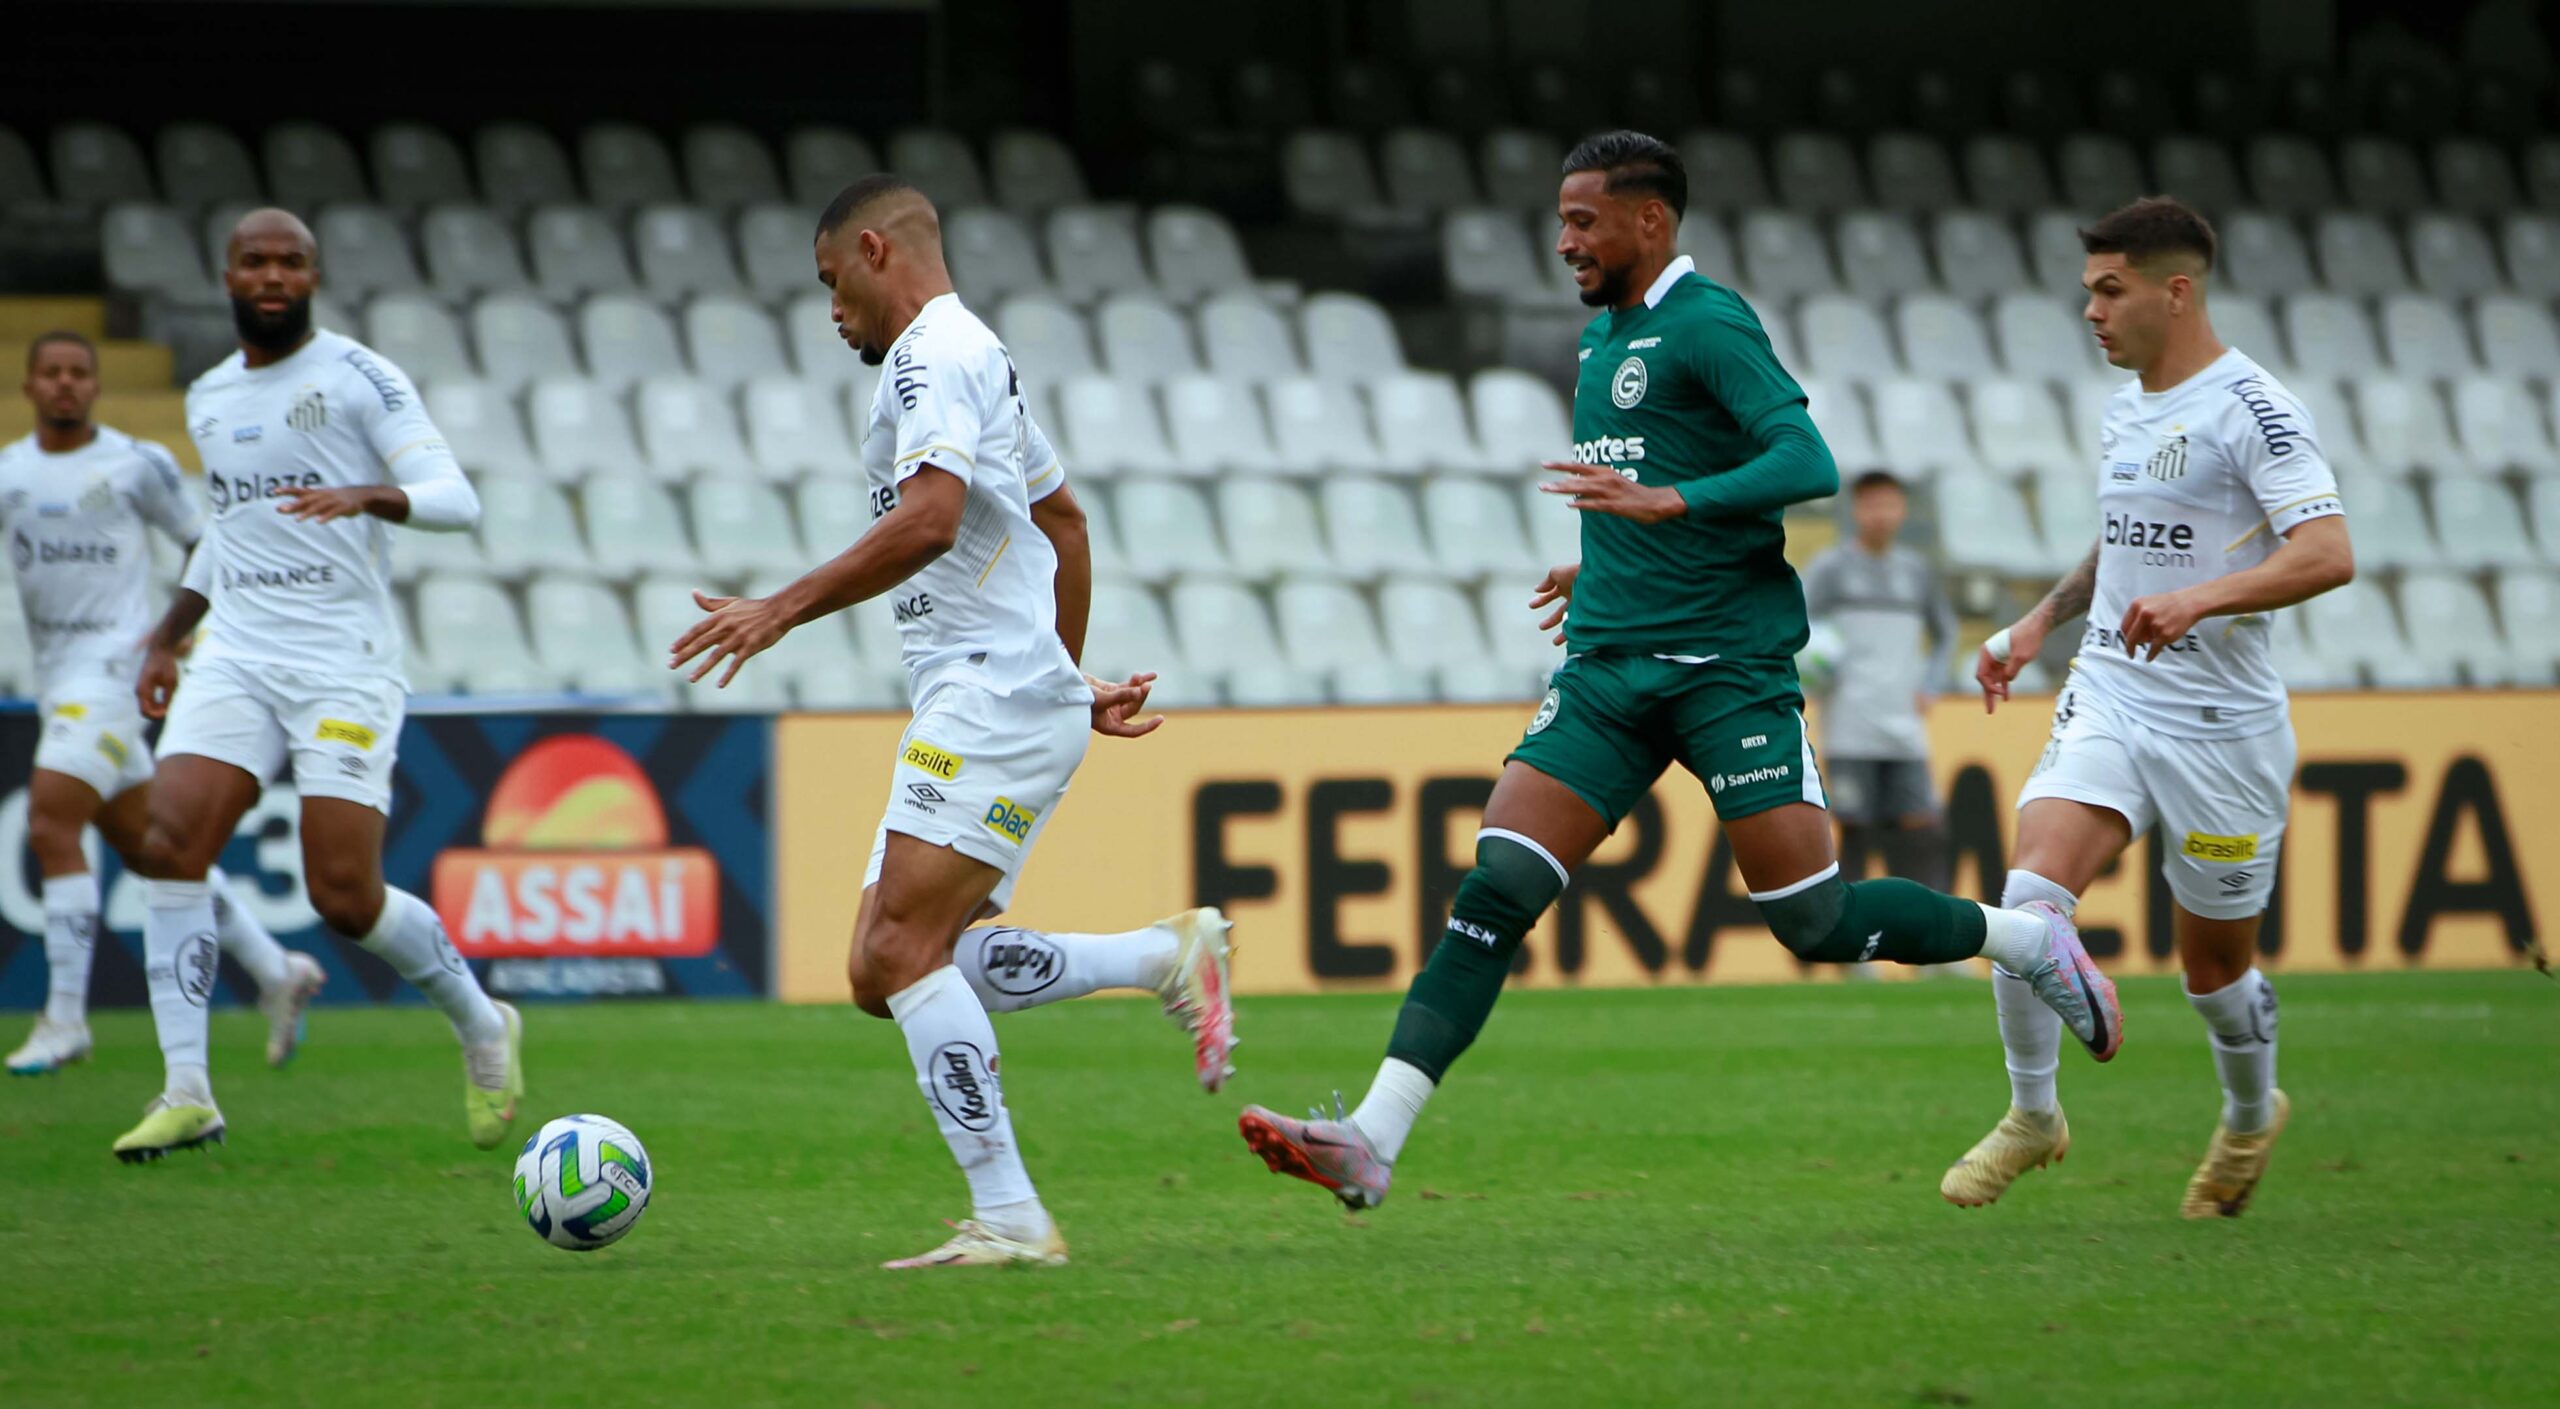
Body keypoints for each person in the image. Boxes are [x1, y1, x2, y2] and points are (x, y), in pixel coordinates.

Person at [1235, 132, 2123, 1213]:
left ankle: (2023, 938)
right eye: (1560, 220)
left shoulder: (1707, 322)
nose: (1564, 241)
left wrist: (1670, 508)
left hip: (1725, 672)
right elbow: (1652, 476)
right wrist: (1609, 552)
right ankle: (1371, 1136)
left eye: (1582, 220)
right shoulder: (1606, 336)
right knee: (1498, 884)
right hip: (1610, 665)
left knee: (1814, 920)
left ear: (1648, 222)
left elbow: (1806, 461)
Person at [668, 175, 1238, 1270]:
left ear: (876, 250)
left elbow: (931, 520)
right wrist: (1066, 679)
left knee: (896, 949)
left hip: (985, 692)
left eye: (834, 285)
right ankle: (1164, 954)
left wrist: (779, 607)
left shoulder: (934, 356)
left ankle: (1011, 1215)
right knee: (882, 968)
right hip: (998, 689)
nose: (833, 313)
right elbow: (1063, 520)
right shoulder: (979, 356)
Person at [1945, 197, 2352, 1218]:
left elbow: (2327, 551)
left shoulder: (2253, 408)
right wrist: (2041, 619)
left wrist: (2200, 597)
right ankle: (2032, 1113)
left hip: (2222, 730)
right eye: (2088, 289)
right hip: (2114, 694)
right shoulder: (2128, 405)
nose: (2089, 309)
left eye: (2108, 288)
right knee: (2028, 899)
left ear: (2176, 292)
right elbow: (2126, 541)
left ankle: (2250, 1112)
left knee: (2213, 974)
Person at [113, 209, 521, 1162]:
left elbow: (458, 500)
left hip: (343, 661)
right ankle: (186, 1091)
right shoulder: (211, 397)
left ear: (313, 277)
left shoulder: (357, 377)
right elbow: (228, 530)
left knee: (343, 894)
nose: (272, 276)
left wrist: (372, 494)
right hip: (240, 655)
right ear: (227, 276)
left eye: (290, 263)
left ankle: (481, 1021)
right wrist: (167, 637)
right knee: (167, 842)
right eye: (255, 261)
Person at [2, 331, 322, 1077]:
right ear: (28, 387)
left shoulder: (134, 463)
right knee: (154, 851)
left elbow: (205, 543)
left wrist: (174, 635)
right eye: (50, 373)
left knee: (51, 817)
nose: (65, 385)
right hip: (58, 679)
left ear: (96, 386)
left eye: (79, 373)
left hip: (113, 675)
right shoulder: (12, 472)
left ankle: (64, 1019)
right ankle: (278, 971)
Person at [1800, 470, 1959, 894]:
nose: (1880, 514)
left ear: (1902, 509)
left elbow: (1946, 633)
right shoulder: (1830, 570)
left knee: (1921, 829)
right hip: (1850, 726)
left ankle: (1932, 940)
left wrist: (1932, 684)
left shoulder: (1916, 572)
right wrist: (1813, 675)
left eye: (1888, 504)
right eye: (1871, 504)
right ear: (1855, 510)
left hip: (1903, 725)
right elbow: (1798, 628)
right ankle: (1855, 949)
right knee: (1855, 832)